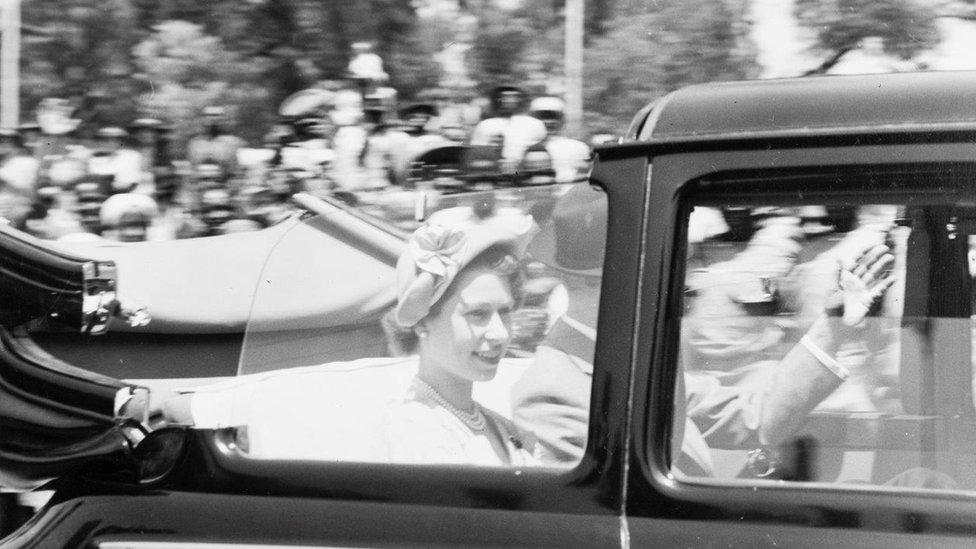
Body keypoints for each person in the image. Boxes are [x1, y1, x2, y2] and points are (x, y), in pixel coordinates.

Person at [510, 184, 897, 477]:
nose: (684, 279)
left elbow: (756, 418)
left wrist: (833, 326)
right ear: (612, 280)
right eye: (663, 266)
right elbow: (624, 510)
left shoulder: (640, 354)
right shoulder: (551, 392)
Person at [373, 221, 540, 465]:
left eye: (504, 312)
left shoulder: (499, 426)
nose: (500, 334)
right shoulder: (412, 433)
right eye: (477, 314)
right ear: (422, 323)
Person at [469, 86, 547, 169]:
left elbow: (542, 150)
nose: (509, 100)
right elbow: (478, 152)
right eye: (505, 97)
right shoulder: (486, 125)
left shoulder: (534, 124)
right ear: (498, 100)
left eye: (514, 97)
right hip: (495, 171)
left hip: (526, 170)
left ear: (520, 99)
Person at [527, 96, 591, 184]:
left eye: (554, 117)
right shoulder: (525, 148)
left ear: (562, 119)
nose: (548, 122)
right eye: (542, 117)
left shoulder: (577, 147)